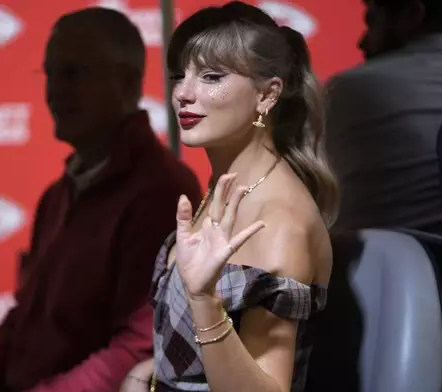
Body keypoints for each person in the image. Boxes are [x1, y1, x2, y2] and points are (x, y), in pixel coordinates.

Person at [0, 8, 203, 392]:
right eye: (51, 73)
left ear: (127, 83)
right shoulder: (57, 195)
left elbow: (138, 351)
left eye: (73, 73)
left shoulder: (162, 193)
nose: (55, 90)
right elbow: (24, 316)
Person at [120, 2, 338, 392]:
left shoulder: (277, 224)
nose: (183, 93)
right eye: (177, 76)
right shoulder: (230, 189)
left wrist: (204, 299)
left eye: (211, 77)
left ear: (267, 96)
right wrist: (141, 377)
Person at [325, 0, 442, 233]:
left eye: (372, 22)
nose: (362, 42)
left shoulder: (350, 87)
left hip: (369, 264)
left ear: (412, 15)